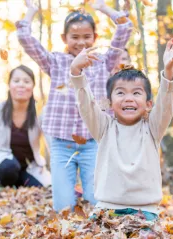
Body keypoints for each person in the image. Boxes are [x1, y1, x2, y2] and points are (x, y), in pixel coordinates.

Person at [16, 0, 133, 211]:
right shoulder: (56, 62)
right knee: (63, 207)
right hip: (62, 144)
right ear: (64, 39)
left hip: (93, 143)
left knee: (97, 202)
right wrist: (31, 12)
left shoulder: (105, 62)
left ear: (95, 38)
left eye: (87, 37)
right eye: (75, 37)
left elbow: (125, 27)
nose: (81, 42)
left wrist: (104, 8)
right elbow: (25, 39)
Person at [69, 39, 173, 221]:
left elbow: (166, 103)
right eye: (120, 92)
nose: (128, 98)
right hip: (106, 209)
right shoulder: (104, 127)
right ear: (109, 103)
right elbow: (86, 103)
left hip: (145, 212)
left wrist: (168, 73)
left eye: (136, 93)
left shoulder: (153, 128)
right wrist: (76, 72)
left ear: (148, 104)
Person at [0, 65, 51, 188]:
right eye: (16, 81)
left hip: (29, 167)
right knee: (9, 167)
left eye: (26, 81)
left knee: (43, 187)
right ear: (9, 85)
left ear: (33, 86)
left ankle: (21, 183)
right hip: (1, 163)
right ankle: (4, 186)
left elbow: (52, 144)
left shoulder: (40, 114)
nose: (21, 85)